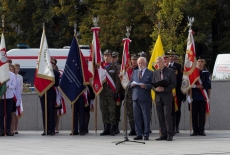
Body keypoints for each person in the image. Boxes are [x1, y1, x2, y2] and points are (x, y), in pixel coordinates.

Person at [153, 56, 176, 141]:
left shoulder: (170, 71)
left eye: (160, 62)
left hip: (167, 97)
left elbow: (174, 84)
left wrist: (164, 89)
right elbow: (152, 84)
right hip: (158, 97)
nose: (158, 64)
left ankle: (170, 134)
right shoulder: (155, 72)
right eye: (157, 63)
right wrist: (155, 89)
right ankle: (163, 134)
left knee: (167, 115)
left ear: (164, 62)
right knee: (160, 116)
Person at [130, 57, 153, 140]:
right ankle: (139, 134)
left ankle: (146, 134)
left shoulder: (150, 73)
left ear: (145, 63)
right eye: (139, 63)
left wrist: (146, 86)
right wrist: (131, 84)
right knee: (137, 117)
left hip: (145, 98)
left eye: (142, 63)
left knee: (146, 117)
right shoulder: (135, 72)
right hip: (135, 98)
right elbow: (130, 82)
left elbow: (153, 85)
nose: (140, 65)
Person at [100, 49, 121, 136]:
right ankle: (106, 129)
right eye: (105, 56)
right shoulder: (101, 67)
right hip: (103, 93)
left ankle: (112, 129)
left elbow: (117, 81)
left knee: (112, 111)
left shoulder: (114, 67)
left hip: (111, 93)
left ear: (111, 57)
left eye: (108, 56)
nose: (106, 57)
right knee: (104, 111)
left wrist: (116, 91)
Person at [190, 56, 210, 136]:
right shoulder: (194, 72)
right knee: (194, 114)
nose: (200, 63)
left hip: (202, 97)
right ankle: (195, 130)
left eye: (202, 61)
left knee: (202, 114)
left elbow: (206, 85)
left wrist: (195, 86)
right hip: (194, 96)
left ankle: (201, 130)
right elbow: (189, 84)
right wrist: (189, 95)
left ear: (204, 63)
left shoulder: (206, 72)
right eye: (198, 61)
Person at [40, 58, 60, 136]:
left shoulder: (56, 73)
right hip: (43, 94)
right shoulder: (41, 72)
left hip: (51, 94)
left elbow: (57, 84)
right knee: (44, 112)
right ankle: (45, 129)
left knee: (51, 112)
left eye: (52, 63)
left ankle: (52, 130)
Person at [0, 63, 17, 136]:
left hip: (9, 96)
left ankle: (8, 130)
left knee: (9, 114)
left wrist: (7, 86)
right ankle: (1, 129)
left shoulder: (12, 75)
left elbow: (14, 86)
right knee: (1, 114)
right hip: (1, 97)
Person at [169, 55, 183, 134]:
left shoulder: (178, 66)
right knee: (169, 111)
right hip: (167, 93)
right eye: (169, 57)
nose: (170, 58)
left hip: (176, 93)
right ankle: (170, 127)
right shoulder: (165, 66)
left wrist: (180, 94)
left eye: (172, 57)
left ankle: (176, 127)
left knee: (177, 110)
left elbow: (180, 80)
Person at [126, 53, 138, 136]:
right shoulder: (128, 70)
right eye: (133, 60)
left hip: (137, 93)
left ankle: (139, 128)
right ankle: (132, 128)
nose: (134, 61)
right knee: (130, 112)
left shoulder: (140, 70)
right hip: (129, 94)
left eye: (135, 60)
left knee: (137, 112)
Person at [112, 51, 123, 134]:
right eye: (112, 57)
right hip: (109, 92)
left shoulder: (120, 67)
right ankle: (111, 127)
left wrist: (118, 92)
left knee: (117, 110)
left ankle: (116, 127)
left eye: (115, 57)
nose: (113, 59)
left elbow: (120, 80)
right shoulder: (107, 67)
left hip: (118, 92)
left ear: (117, 58)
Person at [14, 63, 23, 134]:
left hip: (18, 97)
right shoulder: (11, 76)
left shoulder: (20, 77)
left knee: (17, 113)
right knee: (12, 113)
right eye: (15, 68)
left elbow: (21, 87)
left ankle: (16, 129)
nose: (16, 70)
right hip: (12, 96)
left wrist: (19, 97)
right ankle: (11, 128)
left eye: (17, 69)